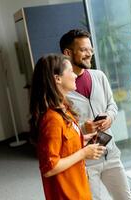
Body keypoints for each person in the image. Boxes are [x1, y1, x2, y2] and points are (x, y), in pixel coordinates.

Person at [60, 29, 131, 200]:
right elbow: (62, 128)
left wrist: (110, 117)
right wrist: (84, 128)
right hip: (85, 161)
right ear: (68, 53)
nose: (89, 54)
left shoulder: (99, 76)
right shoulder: (62, 89)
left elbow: (112, 105)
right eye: (84, 50)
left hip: (111, 154)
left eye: (90, 49)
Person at [29, 54, 105, 200]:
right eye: (70, 71)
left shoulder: (64, 108)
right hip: (67, 194)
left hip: (78, 187)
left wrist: (82, 140)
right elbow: (49, 168)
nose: (75, 75)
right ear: (57, 79)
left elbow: (63, 148)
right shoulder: (52, 119)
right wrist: (83, 153)